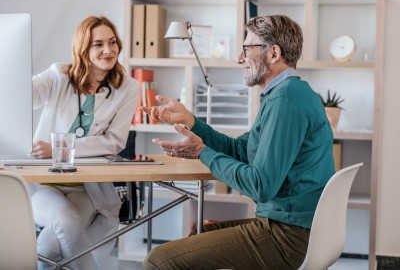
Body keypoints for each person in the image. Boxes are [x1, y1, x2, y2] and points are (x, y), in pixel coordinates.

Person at [141, 15, 335, 270]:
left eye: (247, 49)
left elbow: (260, 185)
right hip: (290, 228)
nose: (239, 58)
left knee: (158, 261)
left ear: (273, 53)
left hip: (288, 237)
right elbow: (242, 149)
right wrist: (191, 121)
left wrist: (202, 153)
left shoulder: (286, 99)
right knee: (195, 236)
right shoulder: (286, 93)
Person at [30, 16, 139, 270]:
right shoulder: (58, 76)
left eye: (112, 42)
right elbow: (24, 94)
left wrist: (57, 149)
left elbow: (114, 142)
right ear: (83, 49)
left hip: (86, 190)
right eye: (98, 44)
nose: (108, 50)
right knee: (65, 220)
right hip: (45, 185)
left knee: (47, 247)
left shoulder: (127, 88)